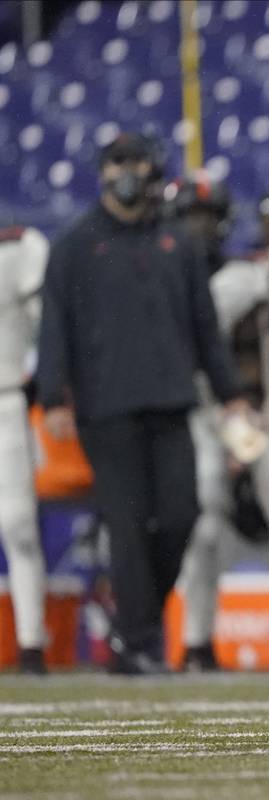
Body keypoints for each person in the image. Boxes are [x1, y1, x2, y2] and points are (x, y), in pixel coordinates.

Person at [36, 132, 246, 674]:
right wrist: (53, 395)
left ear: (153, 171)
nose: (128, 171)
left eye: (137, 162)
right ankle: (140, 640)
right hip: (105, 408)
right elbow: (54, 326)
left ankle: (137, 626)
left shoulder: (178, 242)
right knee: (127, 526)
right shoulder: (75, 246)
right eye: (118, 163)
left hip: (173, 400)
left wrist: (231, 399)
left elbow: (206, 330)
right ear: (103, 172)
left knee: (182, 516)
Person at [174, 183, 269, 670]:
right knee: (206, 524)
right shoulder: (239, 279)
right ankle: (196, 640)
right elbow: (205, 346)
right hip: (220, 413)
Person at [0, 223, 50, 674]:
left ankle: (31, 643)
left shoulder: (19, 248)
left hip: (6, 399)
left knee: (17, 526)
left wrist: (43, 381)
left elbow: (44, 325)